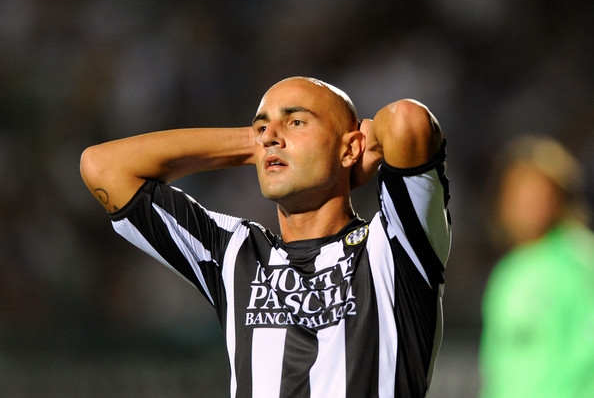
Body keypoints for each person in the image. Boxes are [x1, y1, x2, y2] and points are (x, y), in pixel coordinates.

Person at [80, 76, 452, 397]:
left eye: (296, 122)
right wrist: (253, 143)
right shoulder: (237, 254)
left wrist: (370, 146)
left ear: (350, 147)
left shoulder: (394, 247)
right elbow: (102, 166)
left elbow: (408, 121)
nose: (271, 136)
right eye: (262, 127)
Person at [479, 136, 594, 398]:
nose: (529, 204)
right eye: (521, 192)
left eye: (539, 192)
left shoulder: (582, 260)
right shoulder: (507, 272)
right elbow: (497, 368)